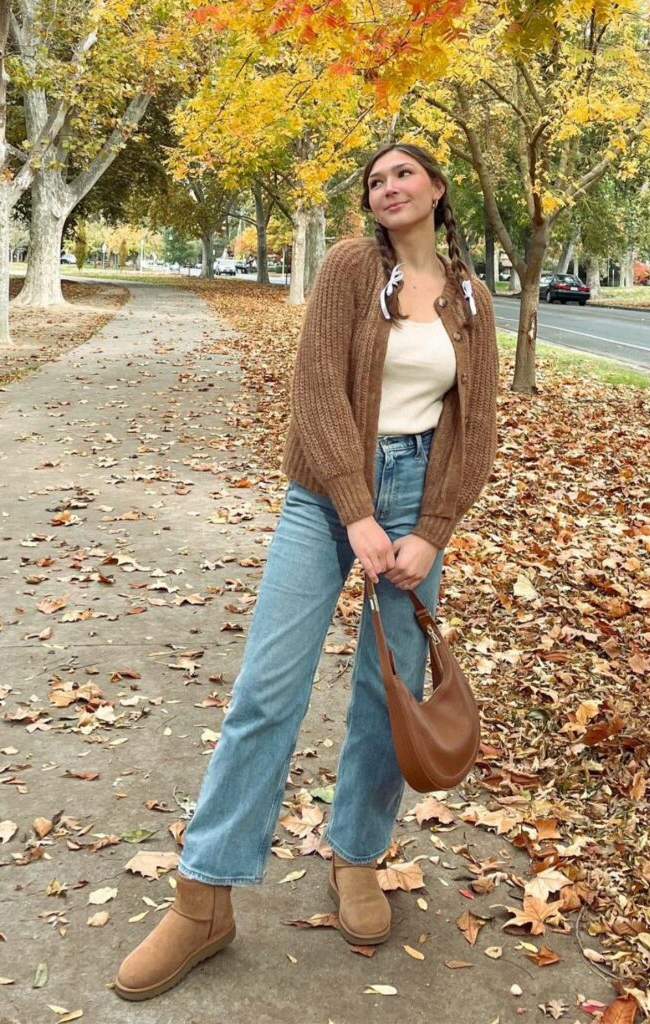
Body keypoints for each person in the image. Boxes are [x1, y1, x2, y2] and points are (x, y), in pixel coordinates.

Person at [114, 142, 499, 1001]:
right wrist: (355, 510)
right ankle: (203, 895)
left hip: (417, 501)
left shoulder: (471, 297)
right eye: (375, 179)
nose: (388, 187)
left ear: (437, 189)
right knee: (267, 689)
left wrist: (432, 528)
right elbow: (317, 388)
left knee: (384, 693)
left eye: (403, 174)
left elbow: (475, 427)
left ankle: (357, 858)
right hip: (324, 494)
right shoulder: (348, 269)